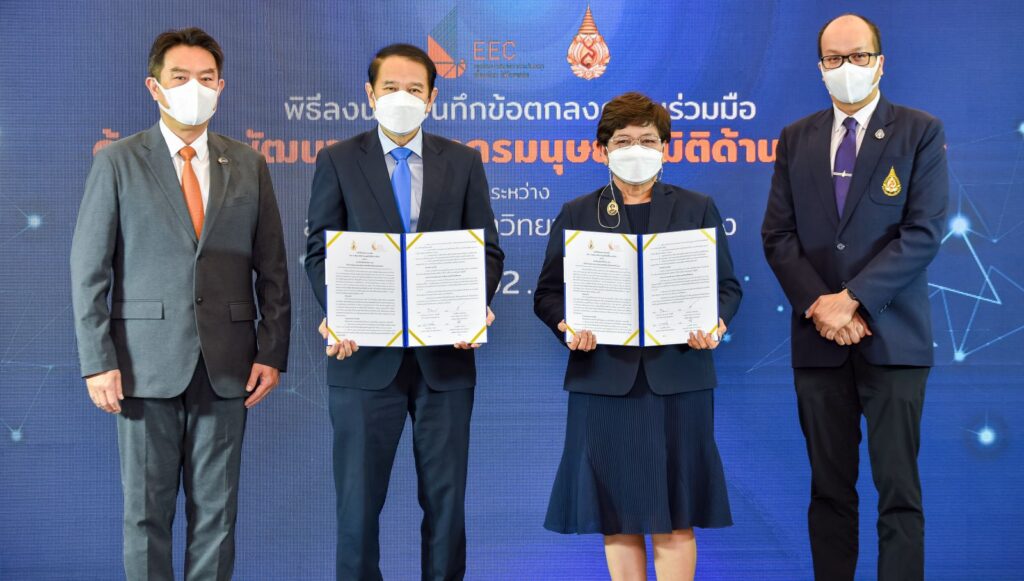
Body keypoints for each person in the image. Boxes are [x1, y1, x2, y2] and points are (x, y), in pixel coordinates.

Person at [70, 27, 291, 581]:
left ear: (221, 87)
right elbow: (89, 270)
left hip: (229, 365)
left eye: (206, 78)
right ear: (155, 86)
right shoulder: (118, 161)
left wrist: (272, 352)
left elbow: (273, 268)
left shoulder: (248, 163)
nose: (195, 87)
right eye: (181, 77)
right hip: (142, 366)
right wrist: (97, 360)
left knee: (217, 515)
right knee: (146, 514)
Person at [304, 43, 504, 581]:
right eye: (390, 87)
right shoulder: (338, 160)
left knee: (446, 507)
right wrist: (336, 310)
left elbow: (487, 250)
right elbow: (320, 250)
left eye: (414, 89)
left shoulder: (462, 161)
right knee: (357, 510)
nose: (402, 97)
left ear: (432, 98)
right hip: (363, 358)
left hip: (446, 359)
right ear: (369, 95)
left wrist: (473, 305)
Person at [761, 13, 948, 581]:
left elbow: (923, 233)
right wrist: (823, 306)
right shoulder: (796, 138)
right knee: (829, 492)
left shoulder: (919, 131)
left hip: (894, 341)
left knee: (899, 493)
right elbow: (778, 235)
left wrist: (855, 300)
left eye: (859, 56)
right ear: (820, 67)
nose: (847, 67)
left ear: (880, 62)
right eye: (834, 58)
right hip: (818, 343)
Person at [534, 92, 742, 581]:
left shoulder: (697, 208)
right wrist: (567, 327)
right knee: (617, 514)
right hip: (604, 379)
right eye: (623, 140)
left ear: (665, 147)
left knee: (676, 513)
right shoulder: (577, 213)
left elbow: (727, 287)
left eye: (647, 140)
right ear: (601, 150)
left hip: (680, 375)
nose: (636, 150)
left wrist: (715, 322)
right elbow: (547, 294)